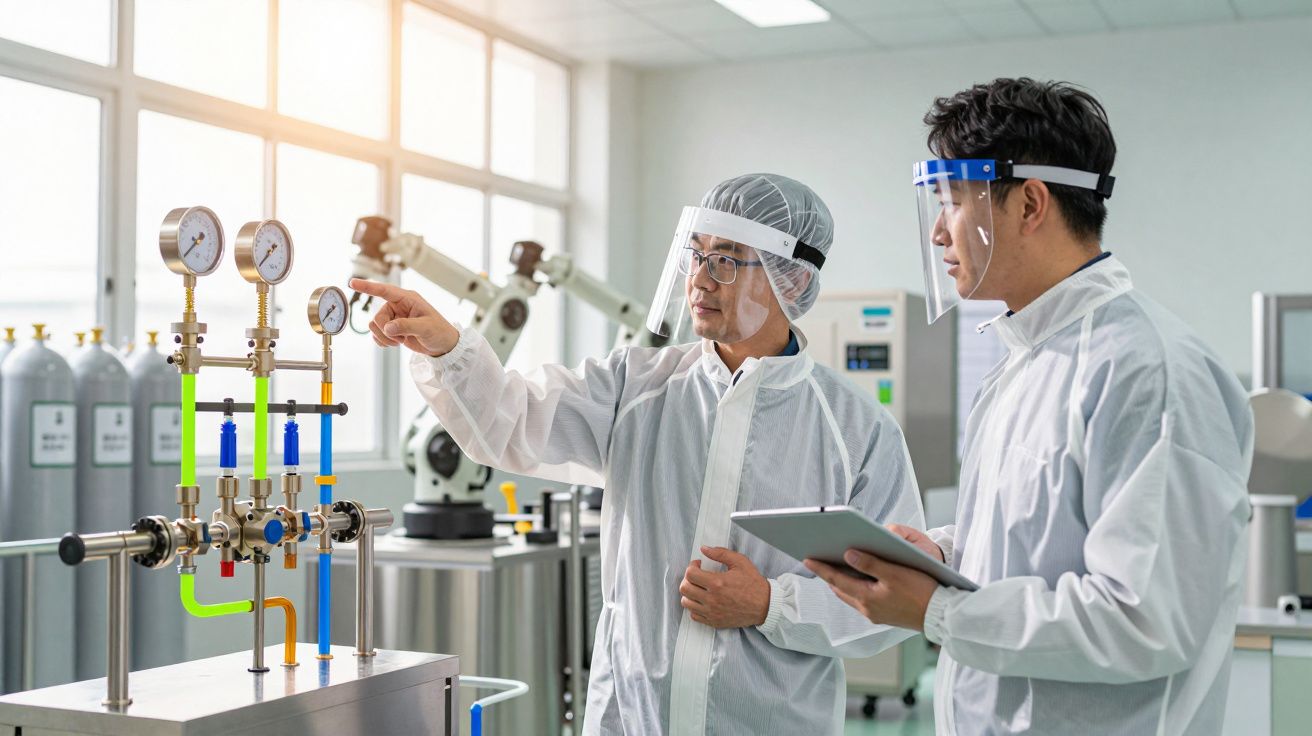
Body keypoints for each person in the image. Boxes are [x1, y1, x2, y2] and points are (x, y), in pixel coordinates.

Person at [350, 173, 926, 735]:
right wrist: (448, 346)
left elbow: (893, 599)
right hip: (629, 716)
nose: (699, 280)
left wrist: (772, 604)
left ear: (793, 282)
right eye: (695, 256)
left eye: (726, 260)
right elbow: (513, 422)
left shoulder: (856, 430)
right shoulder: (636, 384)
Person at [806, 78, 1254, 734]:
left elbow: (1145, 620)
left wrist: (938, 609)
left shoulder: (1150, 371)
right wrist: (940, 554)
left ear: (1029, 203)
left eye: (953, 199)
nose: (936, 233)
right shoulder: (1022, 362)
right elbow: (1036, 544)